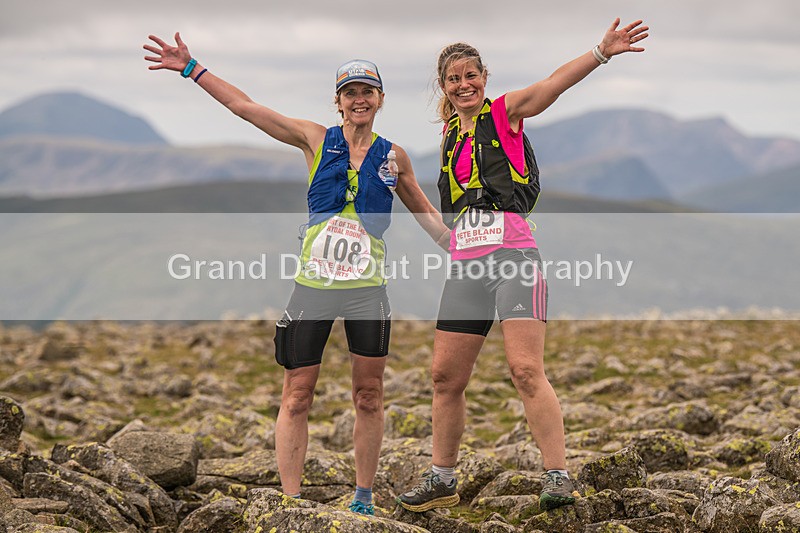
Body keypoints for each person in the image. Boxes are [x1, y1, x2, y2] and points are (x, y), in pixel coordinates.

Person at [144, 33, 450, 516]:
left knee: (369, 395)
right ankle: (290, 501)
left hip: (367, 291)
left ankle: (363, 497)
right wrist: (192, 68)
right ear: (339, 100)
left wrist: (464, 248)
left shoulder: (395, 157)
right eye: (350, 92)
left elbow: (425, 212)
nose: (359, 99)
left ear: (381, 99)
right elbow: (246, 108)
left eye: (367, 91)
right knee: (297, 393)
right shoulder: (314, 138)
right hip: (313, 287)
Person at [396, 18, 649, 513]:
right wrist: (444, 239)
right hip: (467, 265)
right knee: (445, 377)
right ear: (444, 88)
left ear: (484, 78)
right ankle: (442, 478)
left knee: (525, 369)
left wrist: (600, 52)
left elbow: (552, 85)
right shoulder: (449, 134)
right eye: (454, 79)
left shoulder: (506, 112)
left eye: (471, 75)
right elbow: (443, 207)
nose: (464, 84)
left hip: (515, 257)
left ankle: (558, 475)